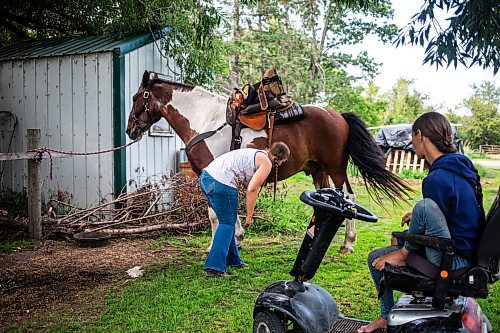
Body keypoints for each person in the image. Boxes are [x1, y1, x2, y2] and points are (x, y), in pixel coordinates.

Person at [358, 112, 485, 333]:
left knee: (375, 258)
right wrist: (414, 221)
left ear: (420, 135)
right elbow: (448, 215)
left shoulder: (436, 178)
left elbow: (431, 211)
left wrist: (406, 247)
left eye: (412, 136)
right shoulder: (459, 168)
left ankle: (385, 315)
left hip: (451, 259)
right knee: (420, 211)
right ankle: (386, 316)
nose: (411, 142)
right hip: (465, 250)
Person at [199, 142, 290, 277]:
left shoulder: (257, 153)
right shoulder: (266, 162)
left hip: (206, 178)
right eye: (283, 161)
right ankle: (214, 268)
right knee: (227, 224)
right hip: (221, 183)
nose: (281, 164)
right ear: (278, 158)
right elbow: (252, 189)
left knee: (227, 221)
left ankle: (233, 260)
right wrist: (249, 214)